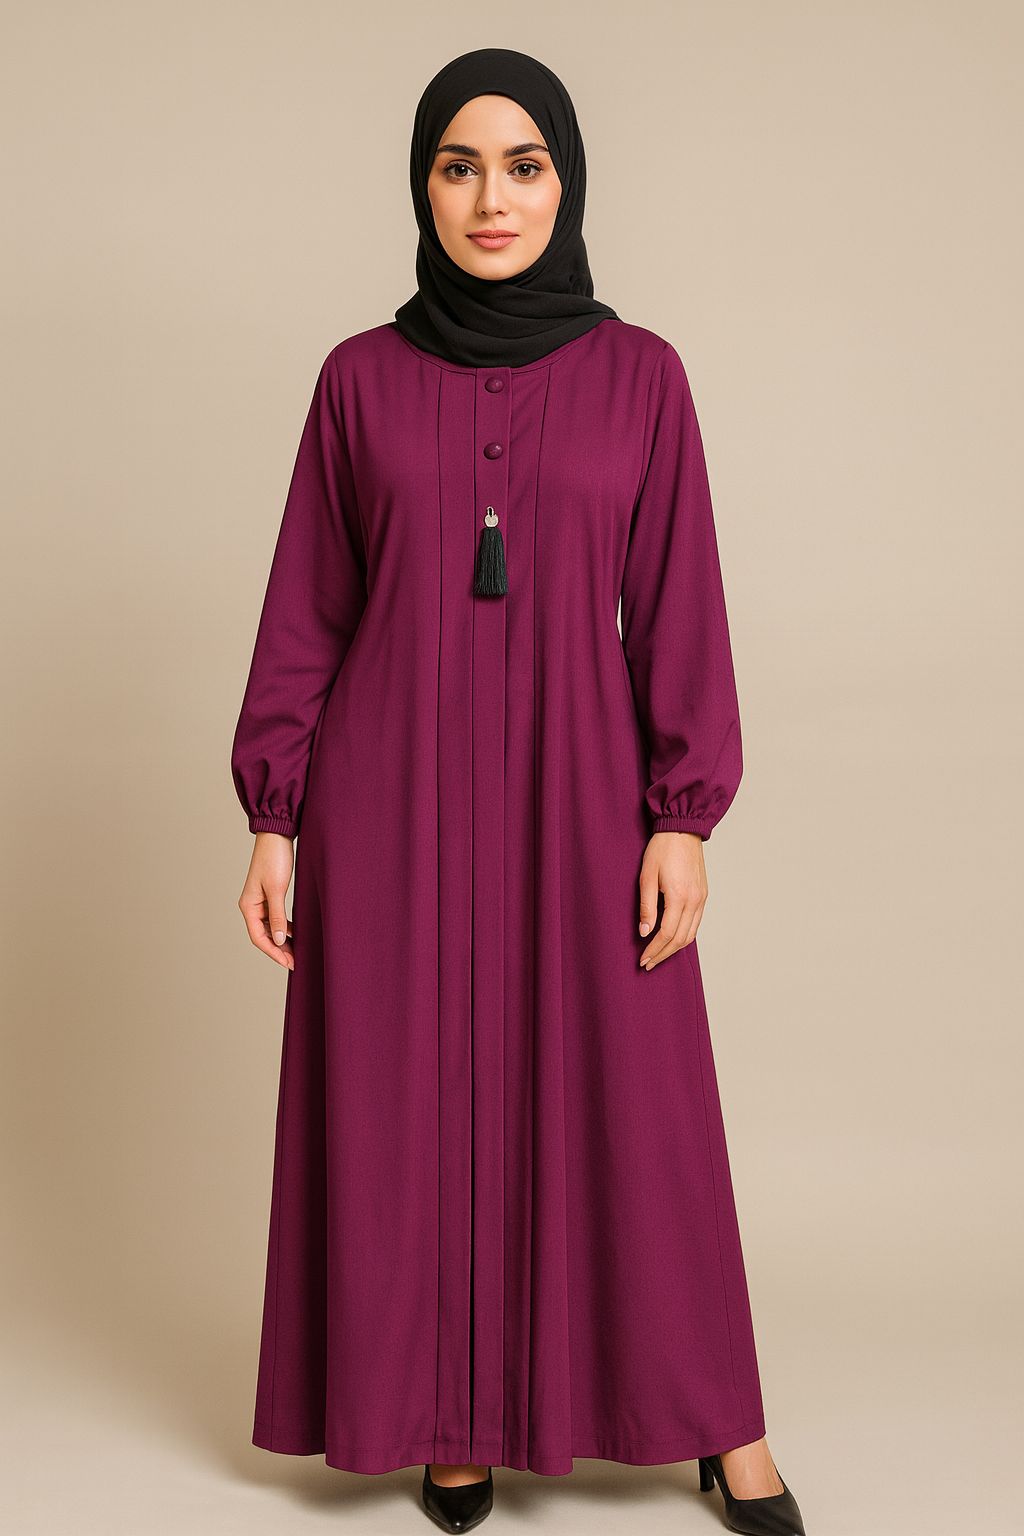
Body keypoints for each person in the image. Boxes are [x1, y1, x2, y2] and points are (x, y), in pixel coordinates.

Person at [230, 46, 807, 1536]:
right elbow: (309, 608)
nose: (493, 198)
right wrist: (274, 816)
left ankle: (720, 1423)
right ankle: (448, 1417)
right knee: (408, 1100)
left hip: (583, 792)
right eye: (460, 167)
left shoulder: (642, 376)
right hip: (388, 799)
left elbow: (681, 607)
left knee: (639, 1107)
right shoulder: (358, 380)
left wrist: (683, 815)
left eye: (524, 164)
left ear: (568, 182)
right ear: (423, 189)